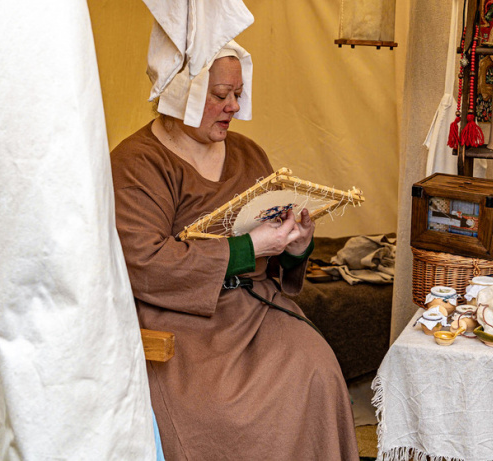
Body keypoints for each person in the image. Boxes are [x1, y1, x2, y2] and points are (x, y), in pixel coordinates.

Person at [110, 42, 359, 461]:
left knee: (318, 370)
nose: (233, 107)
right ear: (180, 94)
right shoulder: (136, 163)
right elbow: (144, 263)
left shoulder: (247, 153)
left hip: (254, 309)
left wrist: (296, 246)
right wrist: (246, 248)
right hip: (183, 322)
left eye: (237, 95)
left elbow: (272, 250)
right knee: (227, 413)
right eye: (220, 95)